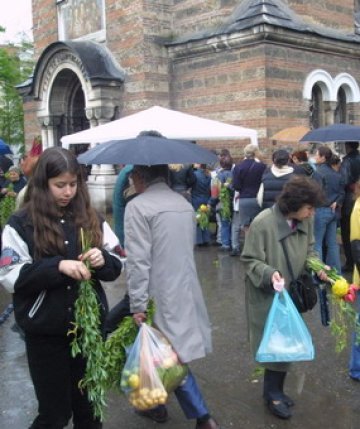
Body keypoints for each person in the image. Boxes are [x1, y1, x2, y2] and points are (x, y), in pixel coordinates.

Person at [0, 147, 123, 429]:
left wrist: (102, 259)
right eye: (60, 185)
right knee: (54, 415)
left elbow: (118, 262)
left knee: (90, 413)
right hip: (45, 334)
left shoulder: (91, 218)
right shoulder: (21, 223)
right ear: (44, 184)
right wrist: (58, 267)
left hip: (88, 333)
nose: (68, 192)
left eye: (73, 184)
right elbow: (10, 274)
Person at [124, 164, 220, 429]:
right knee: (159, 352)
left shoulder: (138, 206)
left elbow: (138, 262)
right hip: (184, 287)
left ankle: (202, 416)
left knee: (169, 356)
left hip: (157, 291)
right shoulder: (183, 203)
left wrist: (138, 304)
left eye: (132, 175)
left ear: (139, 176)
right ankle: (155, 404)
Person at [241, 176, 327, 420]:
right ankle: (272, 395)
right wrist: (270, 274)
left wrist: (319, 267)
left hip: (291, 294)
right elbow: (249, 260)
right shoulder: (262, 223)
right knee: (274, 344)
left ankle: (276, 390)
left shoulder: (305, 220)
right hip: (267, 293)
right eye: (309, 208)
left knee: (286, 342)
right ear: (295, 204)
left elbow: (310, 250)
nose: (311, 214)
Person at [313, 145, 345, 273]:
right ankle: (337, 273)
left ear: (323, 157)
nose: (315, 156)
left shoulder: (318, 173)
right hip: (333, 211)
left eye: (317, 154)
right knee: (332, 244)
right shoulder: (335, 173)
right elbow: (342, 192)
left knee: (317, 244)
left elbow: (315, 192)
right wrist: (337, 202)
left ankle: (318, 273)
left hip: (321, 209)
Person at [231, 143, 266, 255]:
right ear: (256, 152)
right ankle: (260, 251)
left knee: (247, 228)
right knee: (260, 226)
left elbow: (236, 186)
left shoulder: (238, 167)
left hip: (244, 199)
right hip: (258, 199)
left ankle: (249, 251)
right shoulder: (262, 167)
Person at [340, 141, 360, 272]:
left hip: (350, 198)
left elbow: (344, 180)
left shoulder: (347, 161)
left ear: (348, 147)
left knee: (347, 231)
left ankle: (350, 262)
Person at [209, 149, 234, 251]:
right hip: (233, 203)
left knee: (224, 224)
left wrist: (210, 203)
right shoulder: (234, 174)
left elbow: (215, 193)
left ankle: (225, 244)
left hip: (222, 204)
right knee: (232, 224)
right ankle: (233, 243)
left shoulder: (218, 176)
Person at [192, 163, 211, 246]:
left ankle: (199, 240)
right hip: (206, 199)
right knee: (205, 219)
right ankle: (206, 239)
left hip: (196, 198)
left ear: (199, 165)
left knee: (198, 219)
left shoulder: (195, 174)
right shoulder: (208, 175)